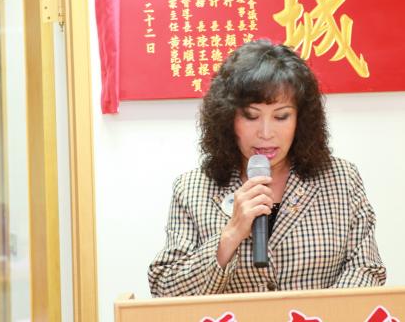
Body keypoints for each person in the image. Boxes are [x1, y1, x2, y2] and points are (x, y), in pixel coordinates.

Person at [148, 39, 386, 296]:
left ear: (301, 119)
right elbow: (165, 289)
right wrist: (230, 234)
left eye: (281, 116)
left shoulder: (341, 179)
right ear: (228, 118)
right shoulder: (192, 188)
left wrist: (318, 312)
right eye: (251, 116)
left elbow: (367, 269)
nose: (265, 133)